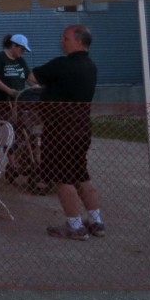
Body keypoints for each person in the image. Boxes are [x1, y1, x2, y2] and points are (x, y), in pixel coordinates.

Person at [33, 24, 104, 240]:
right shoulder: (91, 67)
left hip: (60, 129)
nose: (61, 41)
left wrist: (46, 90)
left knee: (63, 178)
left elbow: (32, 77)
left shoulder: (62, 64)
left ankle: (74, 225)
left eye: (65, 38)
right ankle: (96, 220)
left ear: (78, 41)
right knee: (81, 174)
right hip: (82, 127)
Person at [0, 34, 36, 111]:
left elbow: (28, 77)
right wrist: (9, 91)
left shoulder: (20, 61)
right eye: (22, 49)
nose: (23, 52)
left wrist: (38, 87)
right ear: (13, 46)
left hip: (17, 103)